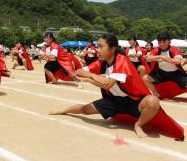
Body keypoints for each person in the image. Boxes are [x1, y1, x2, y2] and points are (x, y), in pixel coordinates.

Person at [49, 33, 184, 140]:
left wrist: (89, 79)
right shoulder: (101, 63)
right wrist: (94, 76)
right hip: (114, 101)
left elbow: (107, 84)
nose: (97, 50)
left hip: (133, 101)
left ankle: (138, 125)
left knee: (153, 101)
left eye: (101, 47)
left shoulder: (122, 61)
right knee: (85, 110)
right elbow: (78, 71)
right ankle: (63, 110)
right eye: (97, 46)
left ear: (112, 49)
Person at [143, 32, 187, 98]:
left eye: (164, 42)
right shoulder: (156, 50)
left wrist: (164, 58)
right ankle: (156, 94)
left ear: (169, 42)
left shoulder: (173, 49)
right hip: (161, 73)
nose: (161, 44)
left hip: (176, 74)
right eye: (159, 42)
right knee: (145, 78)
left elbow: (178, 61)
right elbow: (148, 59)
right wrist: (159, 57)